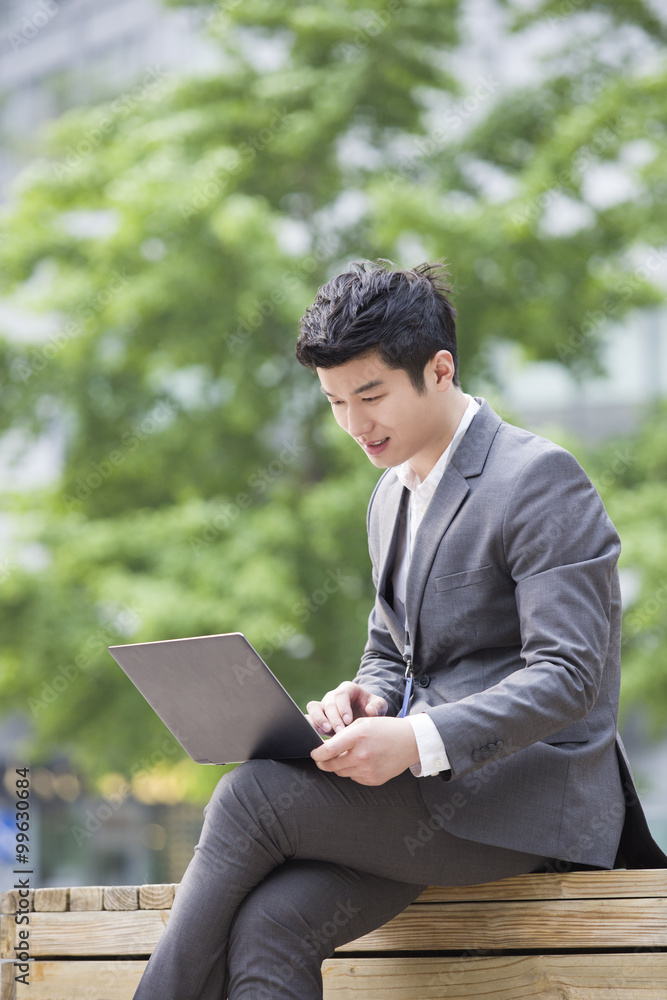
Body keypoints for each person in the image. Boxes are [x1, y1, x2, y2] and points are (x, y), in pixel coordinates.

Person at [133, 260, 665, 1000]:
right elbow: (391, 649)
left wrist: (414, 741)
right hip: (425, 803)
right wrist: (365, 700)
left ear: (439, 370)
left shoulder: (538, 479)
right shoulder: (391, 493)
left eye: (371, 394)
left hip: (526, 802)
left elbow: (569, 677)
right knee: (271, 925)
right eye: (333, 401)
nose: (354, 423)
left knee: (250, 796)